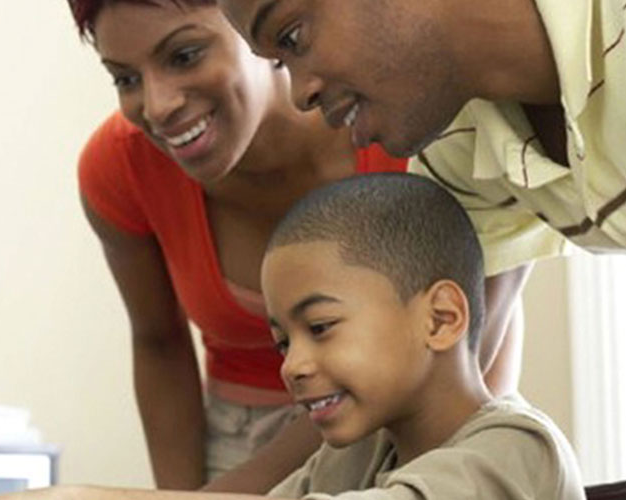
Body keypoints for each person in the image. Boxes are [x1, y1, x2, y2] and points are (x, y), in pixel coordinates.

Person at [65, 0, 527, 493]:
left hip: (418, 423)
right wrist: (182, 494)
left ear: (256, 25)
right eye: (124, 79)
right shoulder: (121, 169)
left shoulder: (411, 114)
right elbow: (158, 344)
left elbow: (473, 333)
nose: (157, 106)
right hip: (241, 438)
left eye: (185, 55)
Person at [0, 173, 585, 500]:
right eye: (282, 342)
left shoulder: (515, 450)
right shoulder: (357, 454)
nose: (293, 365)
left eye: (319, 328)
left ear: (440, 318)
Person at [218, 0, 626, 281]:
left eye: (292, 38)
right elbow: (436, 375)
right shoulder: (462, 144)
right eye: (280, 64)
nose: (299, 96)